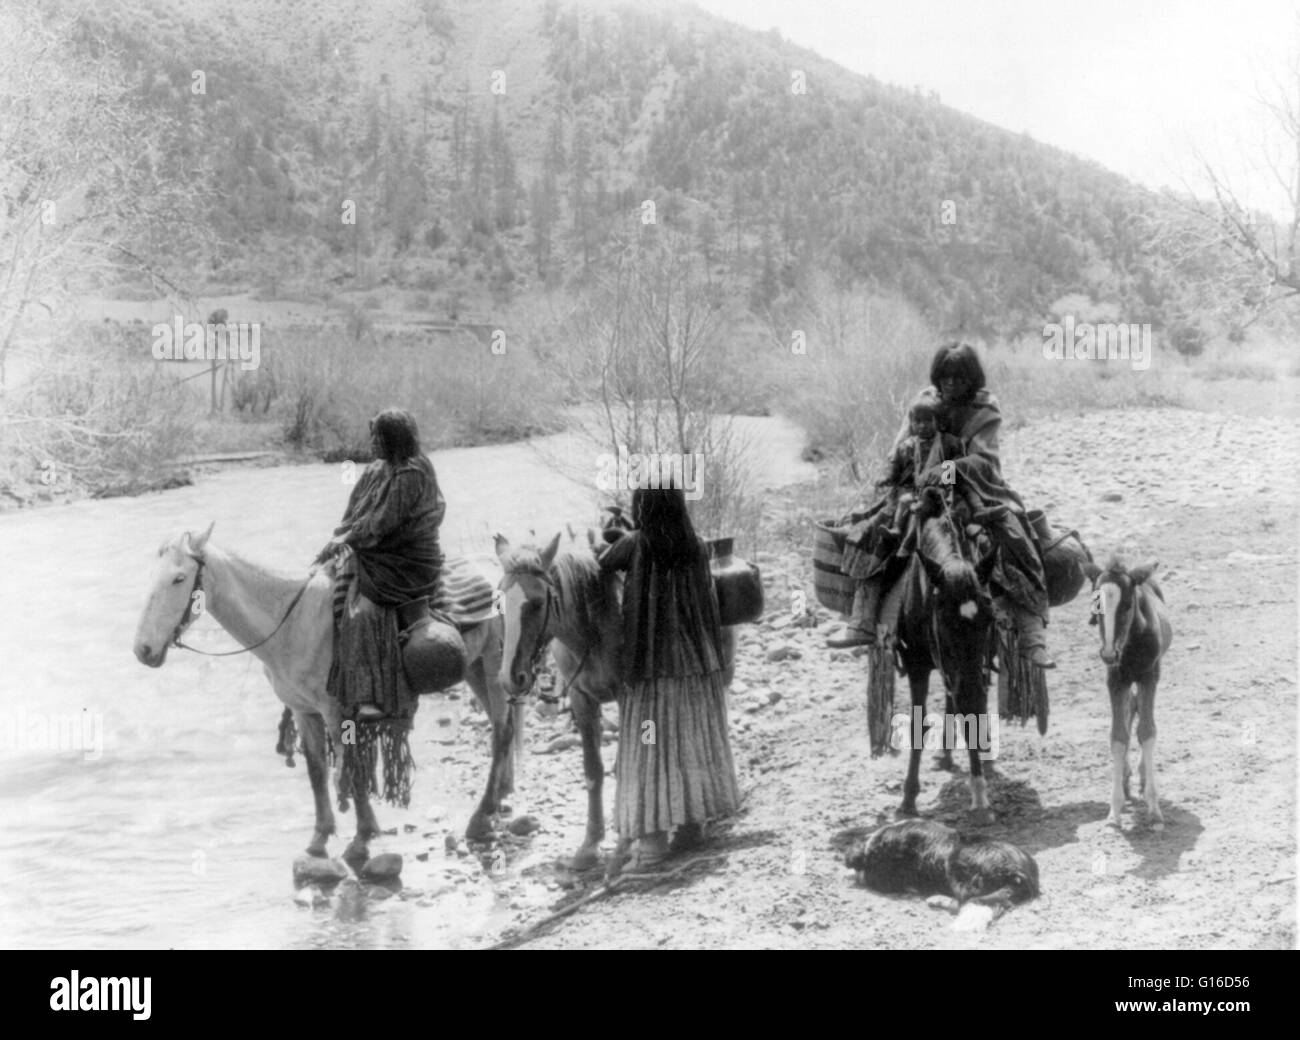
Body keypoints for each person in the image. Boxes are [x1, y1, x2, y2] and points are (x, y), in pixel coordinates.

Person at [858, 342, 1053, 668]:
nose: (951, 383)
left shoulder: (985, 409)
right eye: (945, 376)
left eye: (959, 377)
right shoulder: (924, 402)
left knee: (1013, 538)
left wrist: (946, 470)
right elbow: (900, 447)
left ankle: (1030, 631)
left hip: (974, 489)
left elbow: (983, 458)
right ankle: (868, 621)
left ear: (971, 379)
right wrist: (899, 474)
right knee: (875, 535)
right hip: (919, 487)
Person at [599, 485, 740, 873]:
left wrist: (610, 533)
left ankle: (652, 843)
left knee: (650, 746)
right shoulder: (695, 544)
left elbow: (601, 565)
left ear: (641, 508)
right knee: (691, 742)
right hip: (698, 667)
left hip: (652, 672)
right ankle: (693, 825)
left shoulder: (635, 544)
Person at [314, 408, 447, 719]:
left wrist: (347, 540)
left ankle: (370, 696)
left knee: (361, 613)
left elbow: (382, 522)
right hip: (379, 548)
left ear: (394, 439)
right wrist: (338, 537)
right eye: (372, 436)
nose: (372, 443)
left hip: (406, 560)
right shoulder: (378, 468)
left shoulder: (411, 472)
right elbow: (356, 511)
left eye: (378, 437)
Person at [826, 393, 978, 648]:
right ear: (911, 423)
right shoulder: (906, 447)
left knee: (969, 543)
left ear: (937, 421)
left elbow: (954, 476)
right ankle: (862, 622)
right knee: (869, 544)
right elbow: (894, 477)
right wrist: (886, 481)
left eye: (928, 421)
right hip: (905, 502)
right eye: (917, 421)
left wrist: (937, 493)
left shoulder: (951, 444)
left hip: (942, 502)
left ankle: (975, 612)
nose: (922, 426)